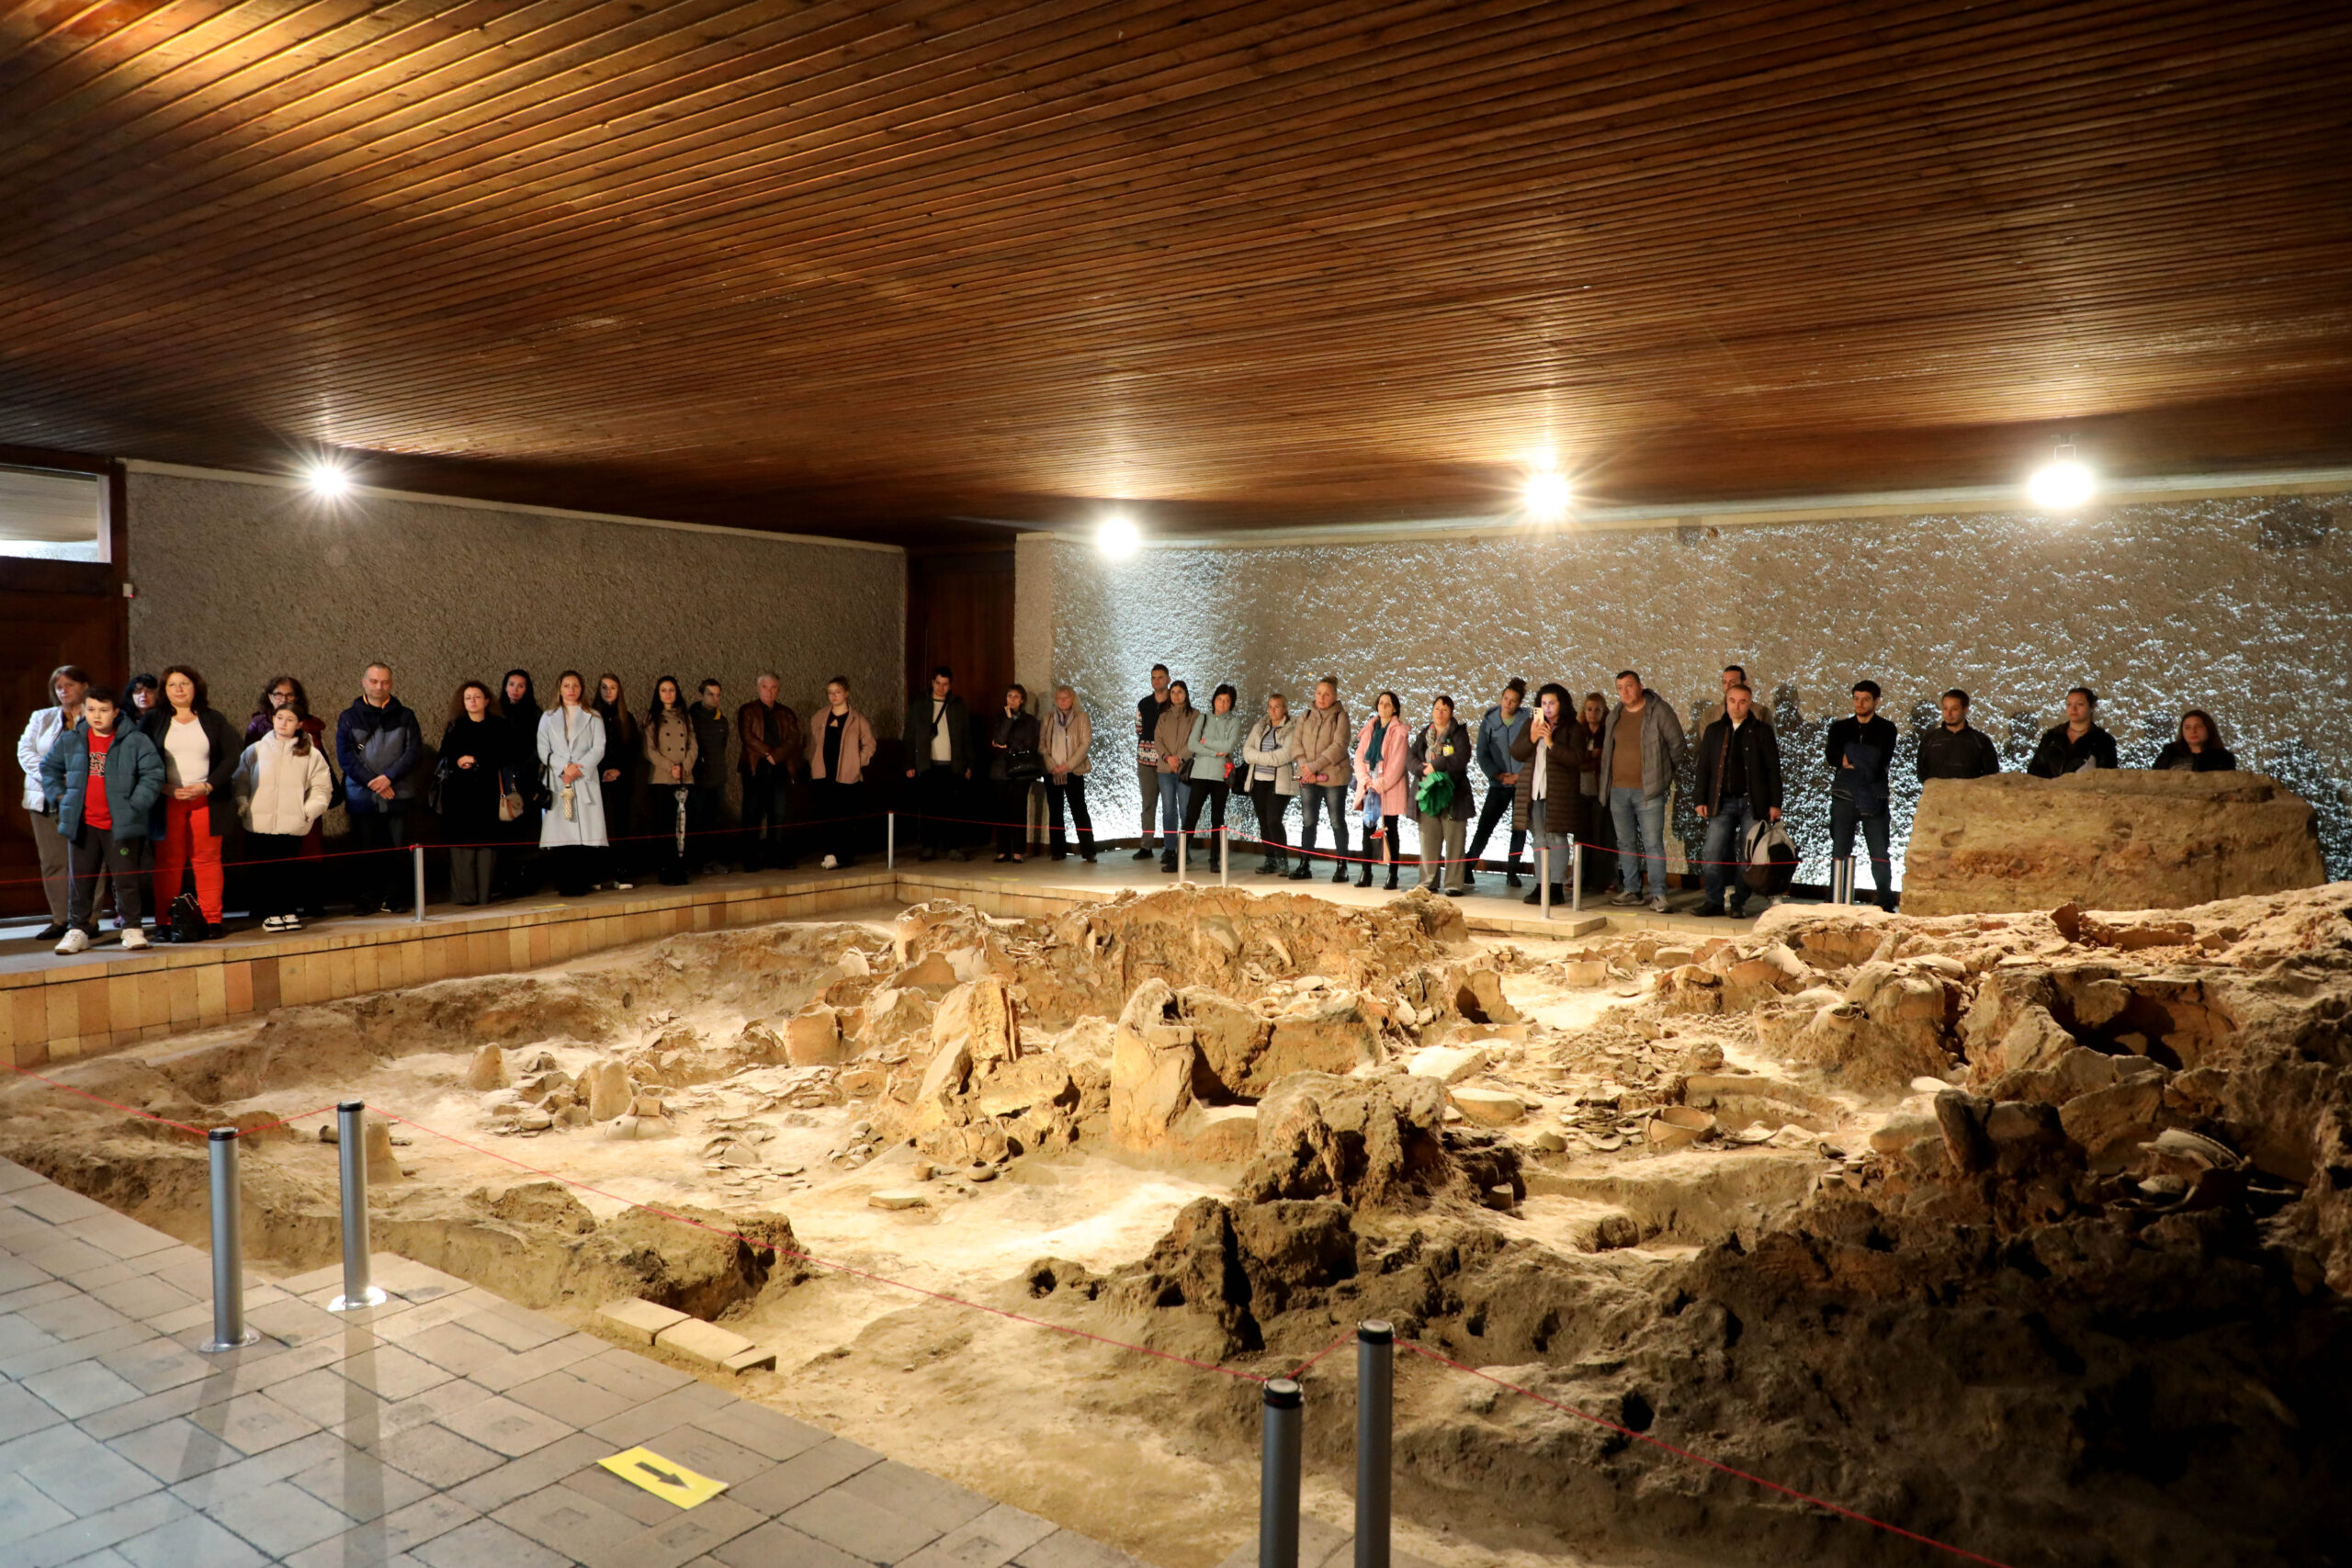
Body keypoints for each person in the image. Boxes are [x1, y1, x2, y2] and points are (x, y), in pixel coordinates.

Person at [40, 686, 163, 954]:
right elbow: (48, 767)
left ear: (116, 712)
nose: (97, 716)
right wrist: (59, 796)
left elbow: (153, 773)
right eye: (91, 709)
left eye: (104, 710)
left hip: (121, 824)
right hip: (83, 823)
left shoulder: (134, 740)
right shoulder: (72, 739)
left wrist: (136, 804)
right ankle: (78, 930)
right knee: (81, 880)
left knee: (126, 880)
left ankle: (132, 928)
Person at [142, 664, 242, 938]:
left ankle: (212, 920)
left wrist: (207, 785)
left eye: (185, 683)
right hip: (167, 800)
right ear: (164, 690)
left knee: (207, 860)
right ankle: (164, 923)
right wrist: (163, 787)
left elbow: (232, 756)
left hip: (207, 800)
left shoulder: (213, 718)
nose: (179, 689)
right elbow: (140, 758)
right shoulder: (153, 719)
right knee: (168, 862)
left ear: (196, 687)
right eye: (172, 684)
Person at [233, 704, 334, 932]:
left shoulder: (311, 753)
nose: (283, 723)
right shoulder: (256, 749)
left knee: (288, 868)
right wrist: (243, 804)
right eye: (279, 718)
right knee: (266, 869)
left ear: (299, 724)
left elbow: (321, 788)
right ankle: (271, 912)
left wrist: (308, 811)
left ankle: (288, 909)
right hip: (260, 822)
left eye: (290, 719)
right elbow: (240, 781)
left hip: (292, 821)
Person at [334, 662, 424, 916]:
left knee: (398, 849)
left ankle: (393, 897)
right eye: (373, 681)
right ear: (364, 682)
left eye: (384, 682)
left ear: (391, 684)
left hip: (398, 792)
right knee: (365, 849)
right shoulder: (349, 717)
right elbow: (346, 757)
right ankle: (365, 898)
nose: (379, 687)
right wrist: (374, 781)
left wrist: (389, 778)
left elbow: (413, 752)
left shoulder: (406, 715)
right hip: (362, 795)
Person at [1596, 670, 1687, 913]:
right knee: (1625, 843)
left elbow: (1677, 746)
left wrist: (1664, 776)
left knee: (1653, 844)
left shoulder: (1659, 711)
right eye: (1620, 688)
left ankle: (1658, 894)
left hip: (1649, 791)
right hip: (1618, 790)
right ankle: (1632, 889)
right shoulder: (1615, 714)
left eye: (1629, 686)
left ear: (1639, 686)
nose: (1625, 692)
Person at [1693, 682, 1783, 919]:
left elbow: (1773, 769)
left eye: (1742, 702)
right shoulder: (1714, 730)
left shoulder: (1761, 731)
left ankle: (1738, 902)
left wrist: (1775, 803)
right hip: (1721, 802)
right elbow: (1704, 768)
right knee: (1712, 853)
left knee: (1747, 856)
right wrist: (1699, 798)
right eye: (1732, 701)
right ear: (1726, 702)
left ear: (1749, 703)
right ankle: (1713, 900)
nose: (1737, 706)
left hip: (1752, 803)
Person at [17, 663, 91, 941]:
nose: (63, 690)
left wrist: (75, 777)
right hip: (45, 797)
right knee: (53, 862)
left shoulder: (96, 715)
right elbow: (25, 751)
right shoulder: (42, 717)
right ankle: (62, 919)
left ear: (84, 686)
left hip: (84, 796)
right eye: (58, 687)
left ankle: (89, 920)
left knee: (88, 859)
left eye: (69, 684)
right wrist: (52, 776)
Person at [1511, 682, 1591, 906]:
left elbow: (1576, 758)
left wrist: (1550, 742)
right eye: (1543, 703)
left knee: (1557, 838)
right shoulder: (1532, 723)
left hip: (1559, 793)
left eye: (1552, 703)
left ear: (1561, 704)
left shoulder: (1572, 728)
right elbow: (1516, 752)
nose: (1547, 707)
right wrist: (1532, 738)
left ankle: (1556, 885)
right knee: (1538, 839)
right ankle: (1541, 884)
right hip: (1534, 790)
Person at [1825, 679, 1899, 909]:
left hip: (1874, 795)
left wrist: (1850, 755)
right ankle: (1835, 896)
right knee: (1840, 849)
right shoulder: (1839, 728)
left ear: (1877, 701)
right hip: (1844, 794)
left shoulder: (1886, 728)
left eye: (1865, 699)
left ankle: (1885, 898)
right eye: (1856, 698)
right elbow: (1832, 756)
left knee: (1879, 849)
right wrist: (1860, 757)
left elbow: (1879, 759)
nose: (1860, 703)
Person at [437, 681, 510, 907]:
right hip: (460, 794)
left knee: (487, 843)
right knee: (463, 844)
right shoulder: (455, 726)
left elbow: (506, 755)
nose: (473, 701)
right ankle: (464, 896)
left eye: (477, 697)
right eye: (468, 698)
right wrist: (459, 761)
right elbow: (444, 756)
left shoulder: (499, 726)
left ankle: (484, 894)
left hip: (488, 791)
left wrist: (477, 761)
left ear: (486, 700)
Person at [537, 671, 608, 897]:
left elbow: (599, 747)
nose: (571, 690)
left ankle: (582, 882)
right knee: (562, 833)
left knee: (583, 833)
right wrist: (564, 768)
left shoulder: (593, 716)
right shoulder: (548, 717)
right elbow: (543, 749)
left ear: (582, 689)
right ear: (560, 689)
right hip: (560, 780)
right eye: (566, 685)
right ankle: (564, 882)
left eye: (575, 685)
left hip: (583, 778)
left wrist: (578, 769)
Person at [1465, 679, 1531, 890]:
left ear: (1519, 703)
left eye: (1513, 700)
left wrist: (1521, 776)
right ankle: (1468, 865)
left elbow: (1533, 750)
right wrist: (1498, 775)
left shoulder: (1527, 721)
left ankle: (1513, 870)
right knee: (1485, 826)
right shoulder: (1489, 722)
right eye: (1505, 698)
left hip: (1521, 784)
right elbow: (1482, 754)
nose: (1508, 703)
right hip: (1498, 784)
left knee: (1519, 829)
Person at [1287, 677, 1353, 884]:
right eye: (1318, 693)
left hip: (1333, 777)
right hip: (1308, 777)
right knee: (1308, 821)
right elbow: (1296, 743)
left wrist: (1313, 767)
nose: (1321, 698)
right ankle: (1304, 864)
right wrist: (1304, 766)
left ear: (1335, 697)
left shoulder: (1341, 716)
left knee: (1336, 821)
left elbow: (1339, 746)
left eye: (1326, 694)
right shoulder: (1305, 715)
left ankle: (1342, 866)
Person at [807, 676, 876, 868]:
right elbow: (812, 744)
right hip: (823, 774)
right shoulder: (820, 717)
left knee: (845, 815)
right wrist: (812, 763)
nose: (834, 696)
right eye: (830, 693)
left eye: (837, 692)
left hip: (847, 775)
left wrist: (857, 762)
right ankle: (829, 853)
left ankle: (845, 854)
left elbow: (869, 744)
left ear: (846, 693)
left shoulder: (857, 719)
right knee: (826, 815)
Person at [905, 667, 973, 862]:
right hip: (928, 764)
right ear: (932, 682)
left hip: (953, 764)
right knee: (929, 807)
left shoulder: (957, 705)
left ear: (950, 685)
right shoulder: (920, 704)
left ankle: (952, 846)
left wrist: (969, 763)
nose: (941, 687)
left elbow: (966, 736)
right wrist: (909, 763)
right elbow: (910, 735)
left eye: (945, 684)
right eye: (938, 683)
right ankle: (929, 846)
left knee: (952, 808)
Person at [1409, 694, 1475, 896]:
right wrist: (1422, 769)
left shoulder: (1459, 734)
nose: (1440, 713)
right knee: (1428, 840)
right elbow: (1410, 757)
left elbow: (1461, 758)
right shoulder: (1425, 733)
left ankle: (1453, 884)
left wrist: (1436, 765)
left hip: (1453, 795)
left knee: (1455, 841)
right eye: (1437, 708)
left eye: (1444, 709)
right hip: (1428, 793)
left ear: (1451, 713)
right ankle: (1428, 881)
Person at [739, 672, 804, 871]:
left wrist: (777, 755)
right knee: (753, 813)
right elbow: (747, 737)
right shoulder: (747, 710)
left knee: (778, 814)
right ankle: (750, 859)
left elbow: (794, 738)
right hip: (755, 768)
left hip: (780, 768)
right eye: (765, 687)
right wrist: (768, 753)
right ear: (758, 688)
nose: (769, 691)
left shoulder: (786, 713)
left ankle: (776, 856)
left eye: (773, 687)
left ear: (778, 690)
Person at [1180, 683, 1246, 871]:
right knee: (1191, 815)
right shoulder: (1203, 718)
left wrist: (1207, 742)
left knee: (1217, 818)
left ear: (1231, 704)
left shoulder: (1234, 721)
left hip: (1220, 775)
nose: (1222, 704)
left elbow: (1228, 747)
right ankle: (1180, 856)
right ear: (1214, 700)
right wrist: (1214, 752)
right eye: (1219, 699)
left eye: (1226, 701)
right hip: (1200, 773)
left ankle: (1214, 859)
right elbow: (1192, 744)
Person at [642, 676, 700, 886]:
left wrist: (684, 767)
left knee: (682, 827)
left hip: (684, 777)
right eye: (664, 690)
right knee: (664, 826)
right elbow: (649, 750)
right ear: (658, 694)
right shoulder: (652, 717)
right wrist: (670, 767)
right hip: (662, 778)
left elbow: (693, 745)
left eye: (672, 690)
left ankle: (681, 867)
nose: (668, 694)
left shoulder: (685, 716)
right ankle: (665, 870)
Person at [1350, 691, 1410, 891]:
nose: (1383, 706)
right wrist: (1365, 780)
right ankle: (1366, 871)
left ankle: (1393, 873)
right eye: (1381, 702)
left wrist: (1378, 784)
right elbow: (1359, 757)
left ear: (1394, 708)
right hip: (1369, 785)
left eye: (1388, 703)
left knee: (1390, 829)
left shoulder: (1399, 732)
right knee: (1367, 828)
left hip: (1388, 788)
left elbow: (1397, 765)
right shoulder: (1369, 728)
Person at [494, 670, 543, 896]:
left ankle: (524, 880)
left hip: (525, 778)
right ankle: (502, 878)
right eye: (511, 684)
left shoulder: (534, 714)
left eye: (521, 685)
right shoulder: (496, 712)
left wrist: (523, 769)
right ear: (505, 687)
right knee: (502, 829)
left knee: (524, 829)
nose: (515, 689)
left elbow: (539, 747)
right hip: (499, 779)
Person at [592, 674, 639, 890]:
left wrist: (618, 769)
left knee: (622, 825)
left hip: (621, 777)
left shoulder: (626, 717)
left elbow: (633, 748)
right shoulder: (591, 716)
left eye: (612, 687)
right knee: (598, 825)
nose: (608, 691)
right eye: (604, 687)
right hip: (596, 778)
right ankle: (597, 874)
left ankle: (623, 873)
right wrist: (602, 770)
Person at [1241, 694, 1296, 874]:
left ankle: (1282, 861)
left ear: (1285, 709)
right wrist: (1268, 757)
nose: (1273, 710)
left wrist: (1258, 757)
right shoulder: (1260, 726)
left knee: (1274, 820)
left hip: (1278, 783)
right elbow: (1246, 752)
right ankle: (1270, 860)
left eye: (1277, 706)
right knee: (1263, 822)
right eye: (1270, 706)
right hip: (1257, 782)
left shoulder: (1291, 728)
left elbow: (1284, 756)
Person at [988, 683, 1043, 862]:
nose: (1012, 699)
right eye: (1009, 696)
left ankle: (1018, 850)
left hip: (1021, 770)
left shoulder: (1030, 721)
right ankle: (1002, 850)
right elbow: (999, 739)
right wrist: (1008, 719)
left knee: (1018, 810)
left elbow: (1030, 743)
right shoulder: (999, 717)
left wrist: (1008, 747)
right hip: (1001, 770)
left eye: (1016, 696)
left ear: (1022, 700)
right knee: (1001, 811)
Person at [1043, 684, 1096, 863]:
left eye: (1066, 697)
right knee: (1055, 811)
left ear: (1072, 699)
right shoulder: (1049, 718)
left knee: (1079, 810)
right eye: (1059, 698)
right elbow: (1042, 744)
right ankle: (1058, 851)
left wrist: (1068, 765)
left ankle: (1089, 851)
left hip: (1073, 771)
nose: (1063, 701)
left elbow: (1085, 743)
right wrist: (1052, 765)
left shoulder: (1082, 717)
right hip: (1053, 772)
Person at [1152, 681, 1200, 872]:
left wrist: (1178, 758)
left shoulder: (1195, 715)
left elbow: (1194, 741)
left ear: (1186, 694)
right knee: (1168, 811)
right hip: (1165, 769)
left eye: (1180, 692)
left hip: (1185, 769)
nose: (1176, 695)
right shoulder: (1164, 716)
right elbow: (1158, 740)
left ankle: (1184, 850)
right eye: (1173, 692)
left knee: (1185, 811)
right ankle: (1170, 848)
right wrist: (1168, 758)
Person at [688, 679, 732, 873]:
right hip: (699, 779)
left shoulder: (721, 719)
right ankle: (699, 861)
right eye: (710, 694)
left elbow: (722, 745)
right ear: (702, 695)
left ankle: (713, 859)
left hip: (717, 777)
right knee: (699, 821)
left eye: (718, 695)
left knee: (716, 821)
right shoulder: (692, 718)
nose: (715, 698)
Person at [1131, 665, 1173, 861]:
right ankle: (1146, 846)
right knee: (1148, 805)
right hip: (1145, 761)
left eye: (1160, 677)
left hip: (1168, 763)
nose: (1157, 681)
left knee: (1169, 807)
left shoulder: (1174, 703)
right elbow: (1139, 728)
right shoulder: (1143, 704)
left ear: (1168, 679)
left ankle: (1170, 847)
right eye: (1153, 677)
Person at [2029, 687, 2120, 777]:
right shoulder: (2051, 737)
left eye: (2080, 704)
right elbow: (2034, 772)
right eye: (2069, 704)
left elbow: (2108, 777)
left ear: (2092, 707)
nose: (2073, 709)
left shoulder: (2103, 741)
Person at [1576, 691, 1614, 892]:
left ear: (1603, 711)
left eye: (1596, 710)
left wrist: (1590, 758)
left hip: (1601, 791)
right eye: (1589, 709)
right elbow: (1576, 760)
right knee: (1582, 836)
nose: (1592, 713)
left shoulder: (1608, 733)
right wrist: (1591, 757)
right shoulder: (1579, 732)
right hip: (1581, 791)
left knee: (1602, 837)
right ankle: (1581, 877)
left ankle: (1603, 879)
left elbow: (1607, 761)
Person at [1917, 689, 2000, 781]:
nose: (1948, 714)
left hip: (1970, 790)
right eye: (1945, 708)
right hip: (1937, 790)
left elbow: (1991, 777)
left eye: (1954, 709)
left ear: (1966, 709)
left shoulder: (1981, 741)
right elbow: (1922, 776)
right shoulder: (1929, 740)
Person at [1694, 664, 1773, 735]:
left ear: (1744, 683)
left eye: (1732, 682)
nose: (1728, 686)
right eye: (1724, 682)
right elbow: (1707, 744)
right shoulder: (1710, 715)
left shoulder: (1762, 712)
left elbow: (1769, 743)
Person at [2154, 710, 2237, 772]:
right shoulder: (2169, 753)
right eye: (2187, 728)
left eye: (2198, 726)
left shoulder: (2224, 758)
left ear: (2208, 729)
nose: (2193, 731)